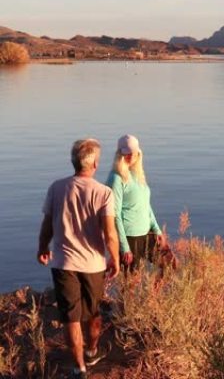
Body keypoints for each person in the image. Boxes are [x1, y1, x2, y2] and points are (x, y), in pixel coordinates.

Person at [37, 138, 120, 379]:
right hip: (93, 264)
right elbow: (110, 233)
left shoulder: (56, 188)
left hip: (63, 264)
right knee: (93, 313)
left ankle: (79, 368)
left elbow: (47, 224)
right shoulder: (103, 193)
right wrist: (113, 258)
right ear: (94, 163)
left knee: (70, 317)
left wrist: (42, 246)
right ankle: (92, 351)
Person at [106, 134, 164, 274]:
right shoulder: (116, 178)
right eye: (126, 152)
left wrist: (156, 229)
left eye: (133, 152)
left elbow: (146, 205)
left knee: (168, 265)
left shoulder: (138, 174)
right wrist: (124, 247)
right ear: (119, 154)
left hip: (146, 233)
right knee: (130, 283)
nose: (131, 155)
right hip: (130, 237)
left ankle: (153, 295)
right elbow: (115, 215)